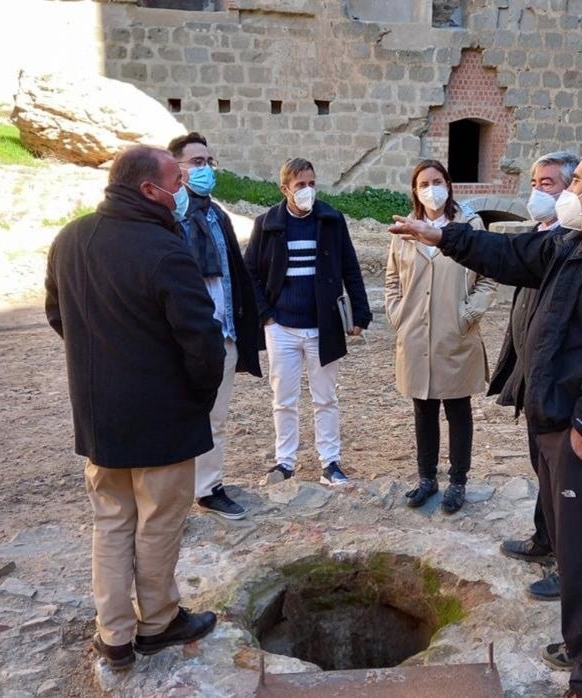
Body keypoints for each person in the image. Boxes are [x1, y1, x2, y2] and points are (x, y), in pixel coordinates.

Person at [389, 145, 582, 698]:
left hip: (581, 434)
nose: (567, 191)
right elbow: (512, 253)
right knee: (577, 548)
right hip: (554, 422)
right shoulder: (573, 241)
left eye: (579, 181)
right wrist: (443, 236)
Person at [45, 146, 226, 672]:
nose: (183, 188)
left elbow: (59, 315)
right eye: (176, 179)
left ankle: (115, 635)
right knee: (159, 524)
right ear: (149, 189)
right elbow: (202, 341)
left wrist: (101, 361)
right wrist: (196, 396)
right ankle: (158, 623)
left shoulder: (70, 239)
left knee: (111, 522)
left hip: (100, 420)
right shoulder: (166, 251)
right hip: (162, 420)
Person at [244, 157, 372, 487]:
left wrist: (360, 312)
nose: (308, 191)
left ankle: (330, 462)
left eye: (312, 183)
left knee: (325, 397)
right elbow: (250, 273)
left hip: (322, 325)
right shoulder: (266, 223)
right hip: (281, 326)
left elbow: (350, 268)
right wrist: (266, 316)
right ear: (284, 188)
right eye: (301, 185)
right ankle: (284, 462)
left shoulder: (331, 220)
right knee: (284, 399)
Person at [385, 159, 496, 514]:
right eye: (423, 183)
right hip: (416, 333)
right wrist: (397, 315)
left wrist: (469, 313)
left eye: (437, 181)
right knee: (423, 407)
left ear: (448, 184)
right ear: (415, 191)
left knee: (458, 409)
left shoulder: (470, 225)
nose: (431, 188)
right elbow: (391, 281)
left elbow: (489, 276)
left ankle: (458, 481)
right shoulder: (404, 230)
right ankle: (426, 479)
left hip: (455, 332)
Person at [494, 152, 578, 600]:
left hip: (558, 387)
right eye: (534, 182)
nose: (538, 191)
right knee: (541, 469)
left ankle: (569, 569)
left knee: (563, 481)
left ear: (570, 189)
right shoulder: (538, 236)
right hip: (532, 379)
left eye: (549, 183)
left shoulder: (572, 243)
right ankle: (544, 539)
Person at [167, 132, 262, 520]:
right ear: (177, 169)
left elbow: (231, 275)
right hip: (181, 338)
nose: (205, 169)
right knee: (174, 417)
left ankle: (208, 488)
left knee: (215, 419)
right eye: (196, 162)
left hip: (222, 335)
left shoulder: (216, 214)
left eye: (209, 161)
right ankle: (170, 499)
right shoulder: (168, 217)